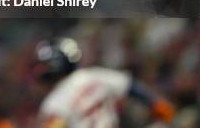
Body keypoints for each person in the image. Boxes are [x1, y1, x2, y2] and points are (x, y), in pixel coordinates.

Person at [33, 37, 175, 128]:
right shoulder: (96, 75)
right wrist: (155, 104)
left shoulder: (55, 100)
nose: (41, 70)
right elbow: (131, 86)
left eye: (44, 65)